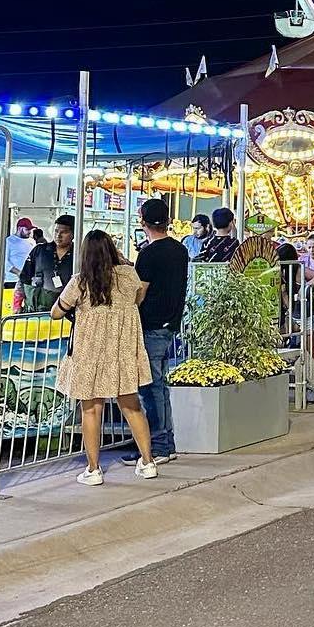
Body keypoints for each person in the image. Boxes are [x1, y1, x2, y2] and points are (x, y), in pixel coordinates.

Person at [50, 229, 157, 485]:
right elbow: (138, 298)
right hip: (122, 351)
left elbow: (56, 312)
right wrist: (122, 260)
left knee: (91, 410)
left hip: (90, 353)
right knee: (132, 407)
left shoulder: (80, 281)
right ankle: (148, 462)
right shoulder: (129, 276)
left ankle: (93, 469)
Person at [125, 198, 189, 467]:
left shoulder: (149, 254)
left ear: (142, 222)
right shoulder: (180, 250)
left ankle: (156, 446)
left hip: (150, 325)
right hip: (170, 323)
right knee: (160, 386)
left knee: (149, 388)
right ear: (168, 221)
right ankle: (166, 443)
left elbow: (140, 292)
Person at [17, 216, 75, 314]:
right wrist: (17, 305)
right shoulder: (39, 250)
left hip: (65, 314)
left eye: (64, 232)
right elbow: (23, 279)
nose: (58, 235)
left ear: (73, 234)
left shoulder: (78, 256)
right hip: (35, 312)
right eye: (56, 231)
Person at [4, 217, 36, 284]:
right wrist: (19, 273)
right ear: (19, 228)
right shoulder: (9, 241)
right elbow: (4, 262)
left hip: (28, 280)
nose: (29, 232)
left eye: (30, 230)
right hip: (12, 280)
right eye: (27, 229)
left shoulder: (32, 242)